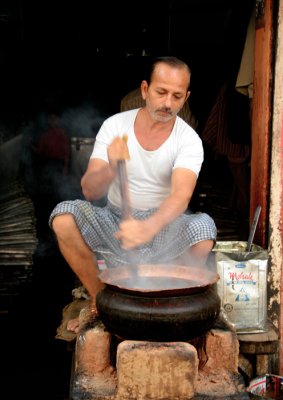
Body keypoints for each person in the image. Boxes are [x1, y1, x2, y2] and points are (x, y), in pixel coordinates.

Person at [49, 56, 217, 333]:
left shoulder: (188, 140)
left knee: (203, 230)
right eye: (161, 92)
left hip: (163, 225)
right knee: (63, 217)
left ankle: (159, 297)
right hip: (116, 222)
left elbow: (181, 196)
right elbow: (91, 191)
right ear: (144, 90)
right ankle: (100, 300)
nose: (167, 103)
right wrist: (112, 168)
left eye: (176, 96)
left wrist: (148, 226)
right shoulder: (115, 126)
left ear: (186, 98)